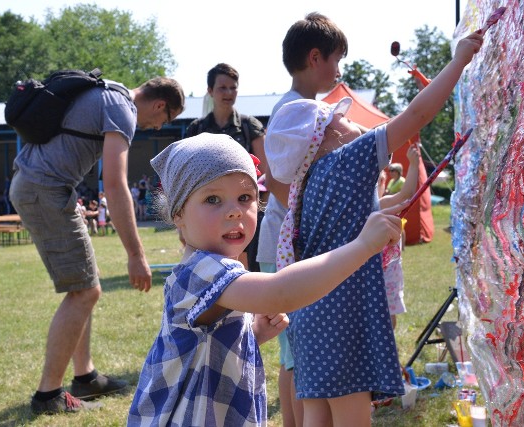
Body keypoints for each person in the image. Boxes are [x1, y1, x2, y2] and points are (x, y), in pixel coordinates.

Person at [265, 29, 484, 426]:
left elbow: (354, 218)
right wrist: (458, 62)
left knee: (318, 412)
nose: (352, 123)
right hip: (343, 314)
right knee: (352, 415)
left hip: (310, 314)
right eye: (343, 120)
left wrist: (392, 206)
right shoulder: (351, 157)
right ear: (327, 135)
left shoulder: (308, 181)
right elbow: (417, 115)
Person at [127, 133, 403, 426]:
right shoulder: (199, 271)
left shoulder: (218, 271)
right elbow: (279, 291)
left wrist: (251, 335)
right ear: (178, 213)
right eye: (213, 199)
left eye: (244, 197)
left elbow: (204, 350)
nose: (234, 211)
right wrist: (362, 246)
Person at [9, 75, 185, 415]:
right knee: (85, 292)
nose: (152, 126)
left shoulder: (108, 90)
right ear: (160, 104)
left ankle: (86, 376)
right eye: (160, 121)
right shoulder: (123, 109)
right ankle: (49, 396)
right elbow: (116, 184)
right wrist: (136, 254)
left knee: (85, 284)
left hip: (41, 185)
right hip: (44, 189)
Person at [256, 12, 349, 426]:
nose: (339, 70)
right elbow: (278, 182)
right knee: (299, 360)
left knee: (293, 354)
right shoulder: (298, 111)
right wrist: (311, 221)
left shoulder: (293, 107)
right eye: (337, 59)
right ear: (315, 58)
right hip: (287, 247)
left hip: (283, 246)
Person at [185, 63, 267, 272]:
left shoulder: (250, 126)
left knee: (248, 274)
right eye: (223, 87)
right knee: (210, 271)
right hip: (209, 212)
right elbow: (185, 175)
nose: (229, 93)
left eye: (233, 87)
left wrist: (256, 208)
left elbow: (266, 173)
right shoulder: (197, 129)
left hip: (246, 212)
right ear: (210, 91)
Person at [377, 144, 421, 329]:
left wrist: (414, 165)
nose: (383, 185)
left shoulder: (380, 204)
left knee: (388, 309)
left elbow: (406, 193)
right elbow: (406, 194)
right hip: (378, 270)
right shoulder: (377, 204)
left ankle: (386, 342)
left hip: (388, 269)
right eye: (381, 181)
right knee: (385, 309)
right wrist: (413, 165)